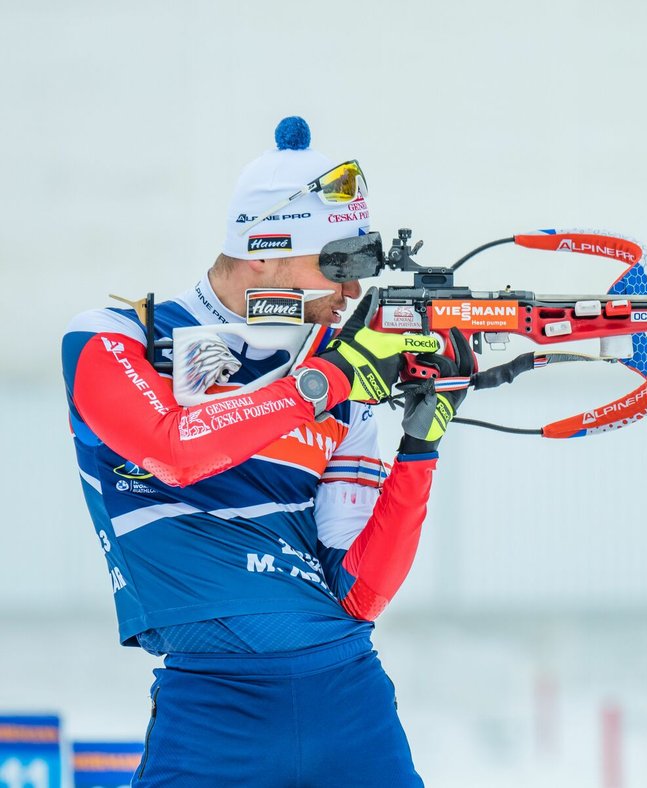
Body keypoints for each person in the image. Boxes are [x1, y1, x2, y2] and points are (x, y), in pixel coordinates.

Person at [61, 117, 472, 786]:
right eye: (339, 263)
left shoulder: (341, 379)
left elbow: (360, 591)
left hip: (349, 699)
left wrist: (421, 446)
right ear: (262, 251)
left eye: (366, 266)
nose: (353, 291)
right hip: (210, 712)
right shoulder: (112, 339)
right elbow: (174, 450)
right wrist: (326, 381)